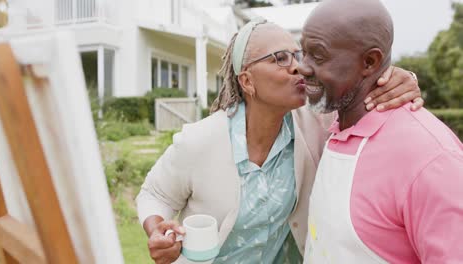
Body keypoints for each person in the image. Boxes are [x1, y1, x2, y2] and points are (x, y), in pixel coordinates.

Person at [136, 18, 423, 264]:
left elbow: (362, 94)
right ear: (247, 81)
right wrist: (157, 230)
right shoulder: (200, 140)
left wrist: (401, 77)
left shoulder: (316, 123)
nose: (298, 67)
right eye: (281, 58)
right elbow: (155, 194)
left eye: (298, 56)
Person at [298, 0, 463, 263]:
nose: (303, 67)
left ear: (370, 61)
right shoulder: (335, 126)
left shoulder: (432, 159)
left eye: (318, 55)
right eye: (302, 52)